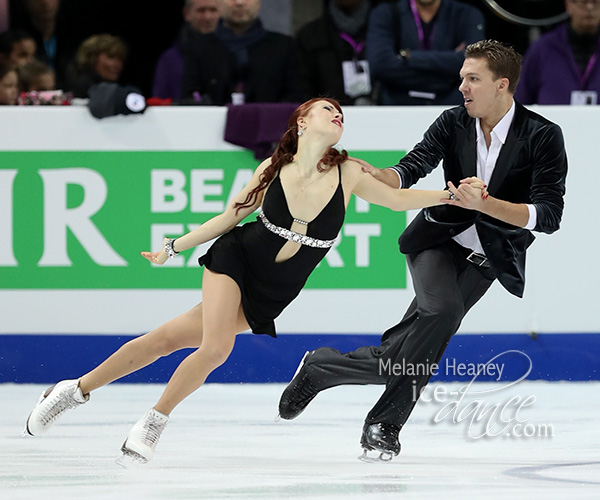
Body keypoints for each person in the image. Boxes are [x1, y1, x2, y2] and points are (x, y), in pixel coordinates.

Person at [23, 97, 468, 465]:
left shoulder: (348, 172)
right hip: (237, 259)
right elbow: (227, 218)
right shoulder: (272, 168)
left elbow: (396, 200)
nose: (338, 116)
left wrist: (451, 194)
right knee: (216, 348)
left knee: (164, 339)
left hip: (275, 287)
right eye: (328, 109)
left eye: (342, 115)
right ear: (302, 120)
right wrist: (172, 247)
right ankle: (153, 422)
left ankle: (74, 390)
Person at [278, 40, 568, 462]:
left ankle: (323, 368)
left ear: (502, 84)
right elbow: (415, 164)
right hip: (437, 241)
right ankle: (384, 425)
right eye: (461, 78)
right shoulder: (453, 122)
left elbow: (549, 214)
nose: (463, 87)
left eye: (473, 79)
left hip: (488, 259)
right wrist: (385, 175)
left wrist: (486, 205)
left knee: (410, 351)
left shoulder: (542, 135)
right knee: (443, 313)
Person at [366, 0, 485, 105]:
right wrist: (448, 71)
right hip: (398, 108)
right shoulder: (385, 13)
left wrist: (410, 57)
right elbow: (380, 65)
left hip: (451, 108)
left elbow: (476, 65)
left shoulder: (467, 14)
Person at [181, 0, 300, 104]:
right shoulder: (198, 48)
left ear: (258, 2)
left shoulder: (284, 46)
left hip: (271, 126)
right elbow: (190, 96)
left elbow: (296, 95)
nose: (239, 2)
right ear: (218, 3)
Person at [515, 0, 600, 105]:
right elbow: (521, 101)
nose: (590, 7)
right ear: (568, 5)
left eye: (596, 2)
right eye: (582, 2)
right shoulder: (543, 49)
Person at [295, 0, 375, 105]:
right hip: (326, 116)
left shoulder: (387, 32)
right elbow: (302, 92)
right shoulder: (309, 36)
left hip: (386, 115)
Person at [152, 0, 220, 100]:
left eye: (213, 10)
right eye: (201, 10)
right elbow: (160, 104)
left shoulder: (233, 53)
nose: (207, 17)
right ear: (187, 13)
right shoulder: (170, 59)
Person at [64, 34, 127, 98]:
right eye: (111, 57)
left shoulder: (118, 91)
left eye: (120, 59)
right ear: (92, 58)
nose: (117, 64)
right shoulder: (78, 90)